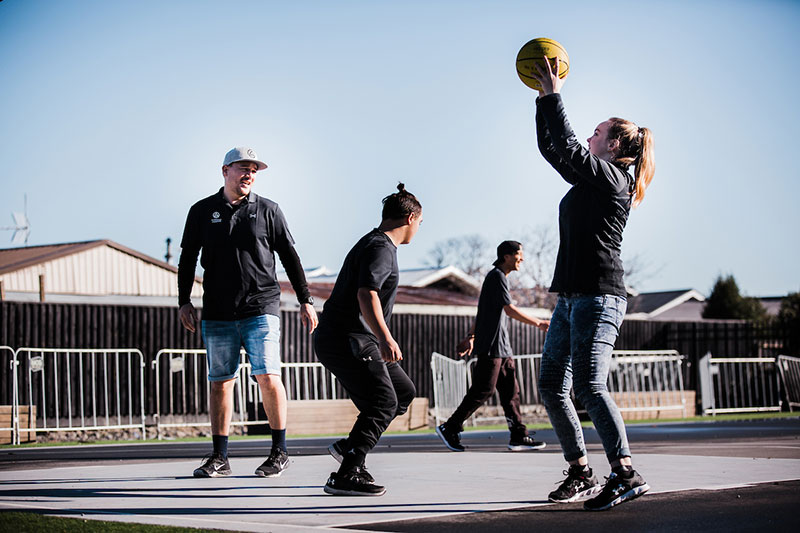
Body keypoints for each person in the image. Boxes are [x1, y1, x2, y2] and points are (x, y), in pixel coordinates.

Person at [529, 58, 655, 511]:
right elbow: (554, 149)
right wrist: (542, 100)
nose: (589, 137)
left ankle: (626, 473)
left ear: (615, 144)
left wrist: (555, 95)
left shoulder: (615, 180)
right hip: (571, 299)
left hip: (600, 298)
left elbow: (568, 144)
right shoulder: (589, 180)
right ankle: (581, 471)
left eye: (597, 133)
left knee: (589, 385)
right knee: (551, 386)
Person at [178, 146, 318, 479]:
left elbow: (290, 256)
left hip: (261, 306)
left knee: (268, 376)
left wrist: (306, 299)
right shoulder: (202, 211)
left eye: (253, 171)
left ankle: (279, 452)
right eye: (243, 168)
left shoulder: (269, 210)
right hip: (217, 310)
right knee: (220, 383)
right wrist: (184, 300)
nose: (249, 175)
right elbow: (187, 258)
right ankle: (219, 457)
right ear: (225, 170)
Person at [313, 183, 422, 496]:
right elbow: (367, 294)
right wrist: (386, 337)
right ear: (411, 218)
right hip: (349, 338)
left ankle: (350, 446)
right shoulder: (380, 247)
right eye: (420, 222)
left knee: (402, 392)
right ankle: (347, 473)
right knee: (383, 402)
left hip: (356, 338)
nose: (418, 229)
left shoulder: (376, 243)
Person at [435, 240, 550, 452]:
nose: (522, 259)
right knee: (483, 390)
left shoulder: (498, 278)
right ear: (507, 256)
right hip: (491, 347)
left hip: (502, 348)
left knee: (511, 393)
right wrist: (539, 323)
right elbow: (510, 310)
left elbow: (483, 312)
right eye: (519, 254)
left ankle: (518, 436)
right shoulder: (496, 276)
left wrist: (470, 336)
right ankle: (450, 427)